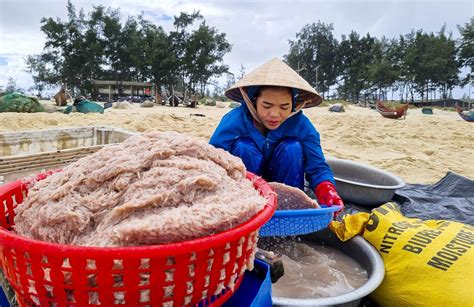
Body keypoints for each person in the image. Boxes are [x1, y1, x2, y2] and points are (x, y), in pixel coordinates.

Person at [209, 57, 344, 212]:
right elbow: (212, 160)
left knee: (293, 148)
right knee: (244, 147)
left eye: (284, 107)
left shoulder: (301, 125)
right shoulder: (234, 121)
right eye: (267, 105)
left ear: (293, 105)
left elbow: (318, 166)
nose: (275, 114)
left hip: (285, 185)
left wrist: (327, 190)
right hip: (244, 190)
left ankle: (288, 209)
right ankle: (246, 207)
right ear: (253, 101)